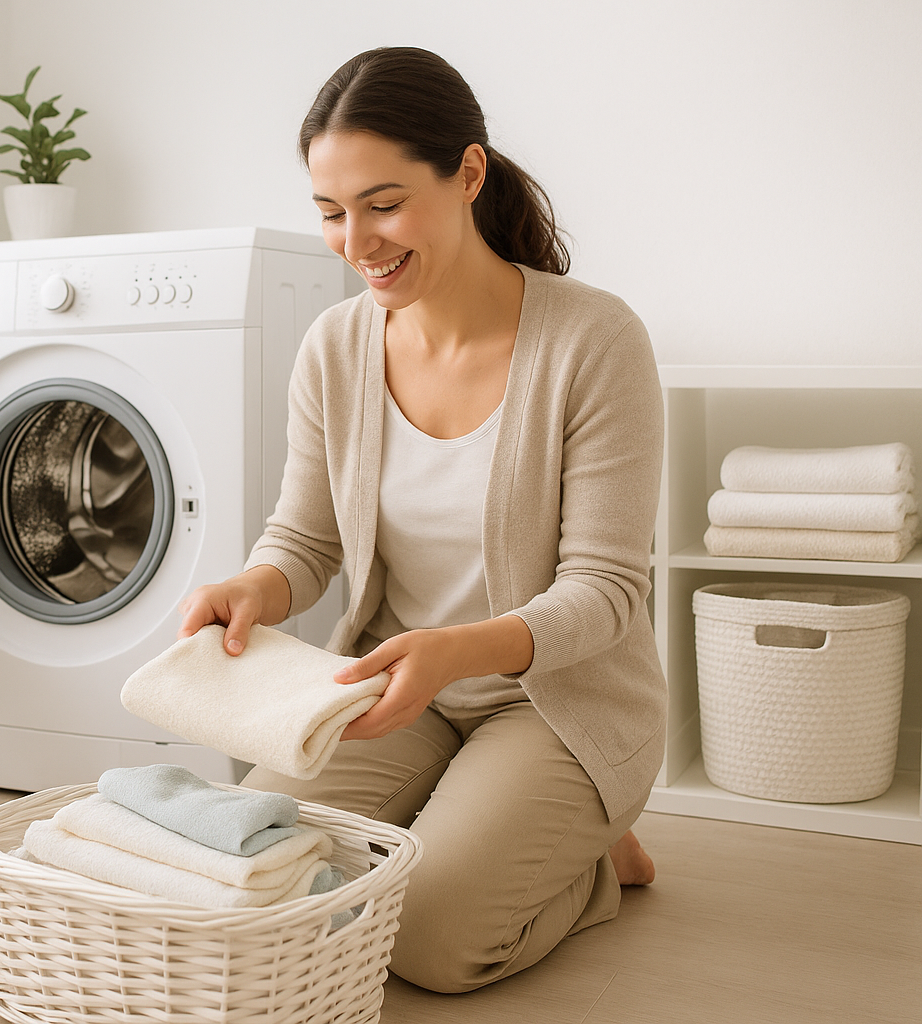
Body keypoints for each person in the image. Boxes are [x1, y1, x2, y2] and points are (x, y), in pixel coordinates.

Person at [178, 47, 665, 993]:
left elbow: (606, 592)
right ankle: (481, 821)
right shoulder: (335, 347)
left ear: (468, 175)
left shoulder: (595, 341)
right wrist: (254, 586)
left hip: (559, 700)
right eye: (330, 212)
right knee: (246, 874)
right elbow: (307, 539)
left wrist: (457, 648)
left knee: (430, 942)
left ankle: (596, 859)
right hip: (395, 685)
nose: (356, 242)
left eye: (384, 203)